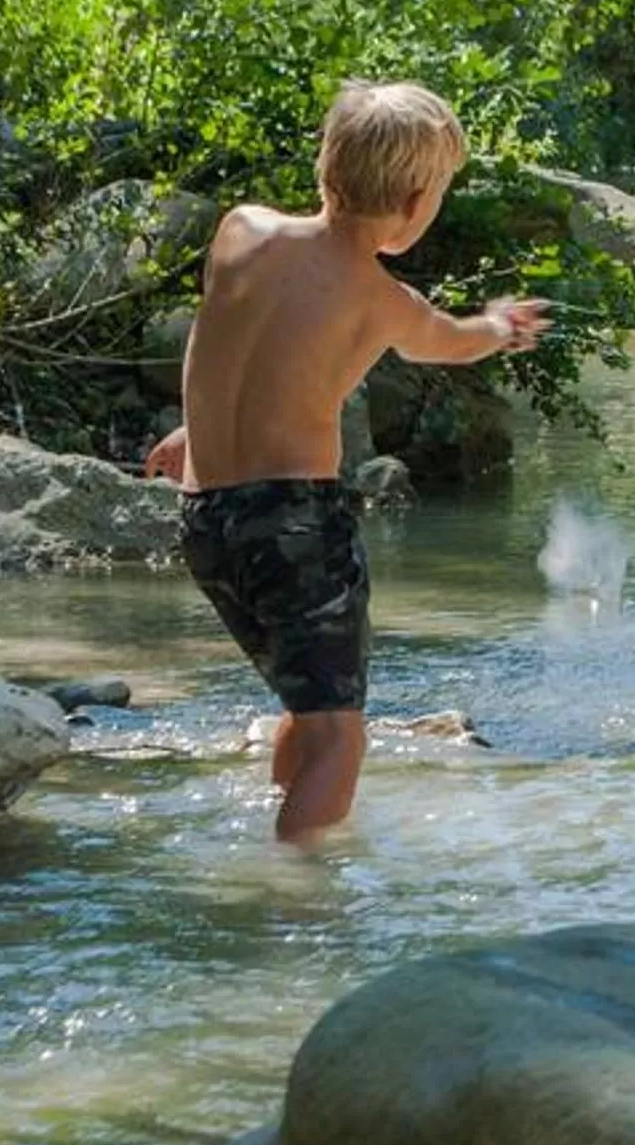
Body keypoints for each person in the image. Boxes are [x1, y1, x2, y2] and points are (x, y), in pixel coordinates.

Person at [147, 82, 546, 843]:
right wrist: (499, 326)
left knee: (308, 710)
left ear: (325, 164)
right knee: (340, 738)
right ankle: (294, 889)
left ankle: (279, 830)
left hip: (206, 519)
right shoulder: (380, 299)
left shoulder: (242, 230)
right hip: (295, 527)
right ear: (415, 202)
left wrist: (197, 432)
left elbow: (228, 341)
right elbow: (454, 342)